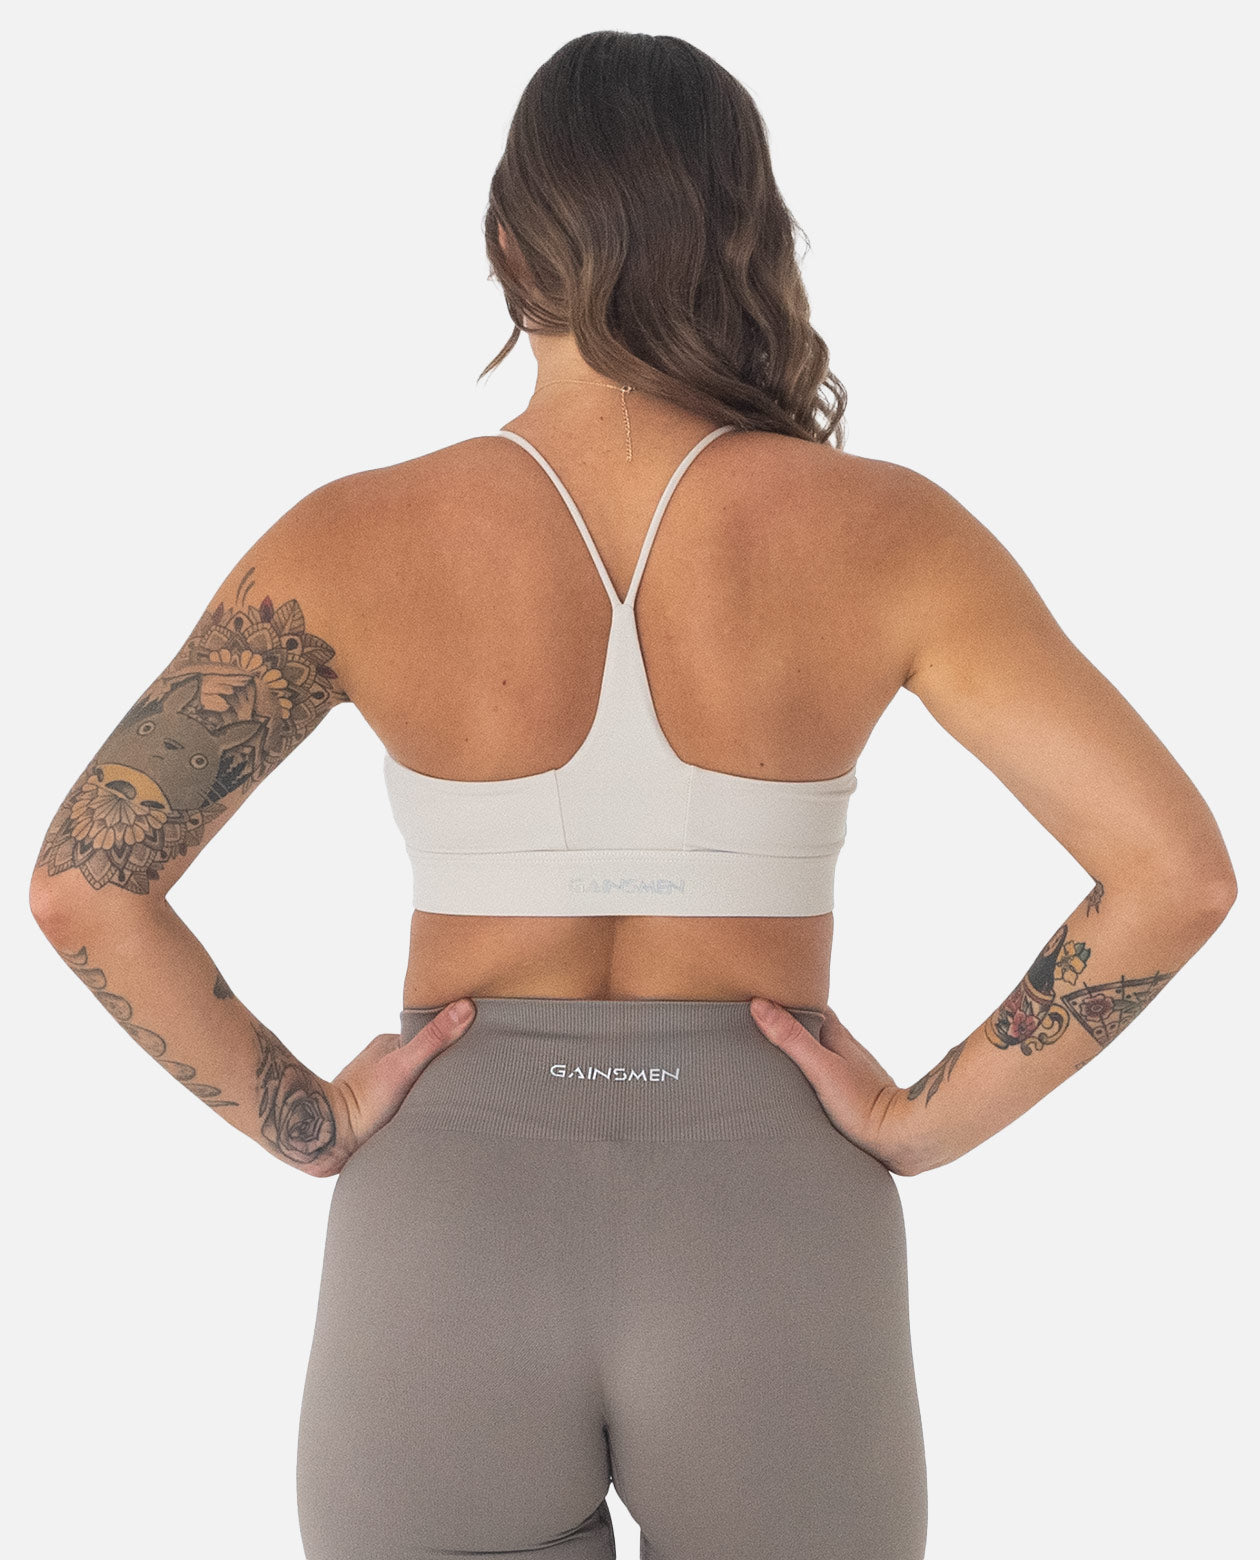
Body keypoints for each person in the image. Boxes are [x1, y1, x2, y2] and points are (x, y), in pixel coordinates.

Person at [27, 28, 1236, 1560]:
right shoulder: (888, 533)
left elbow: (85, 882)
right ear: (751, 236)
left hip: (447, 1221)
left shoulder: (354, 537)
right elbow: (1174, 874)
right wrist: (923, 1124)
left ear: (505, 245)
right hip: (773, 1220)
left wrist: (312, 1122)